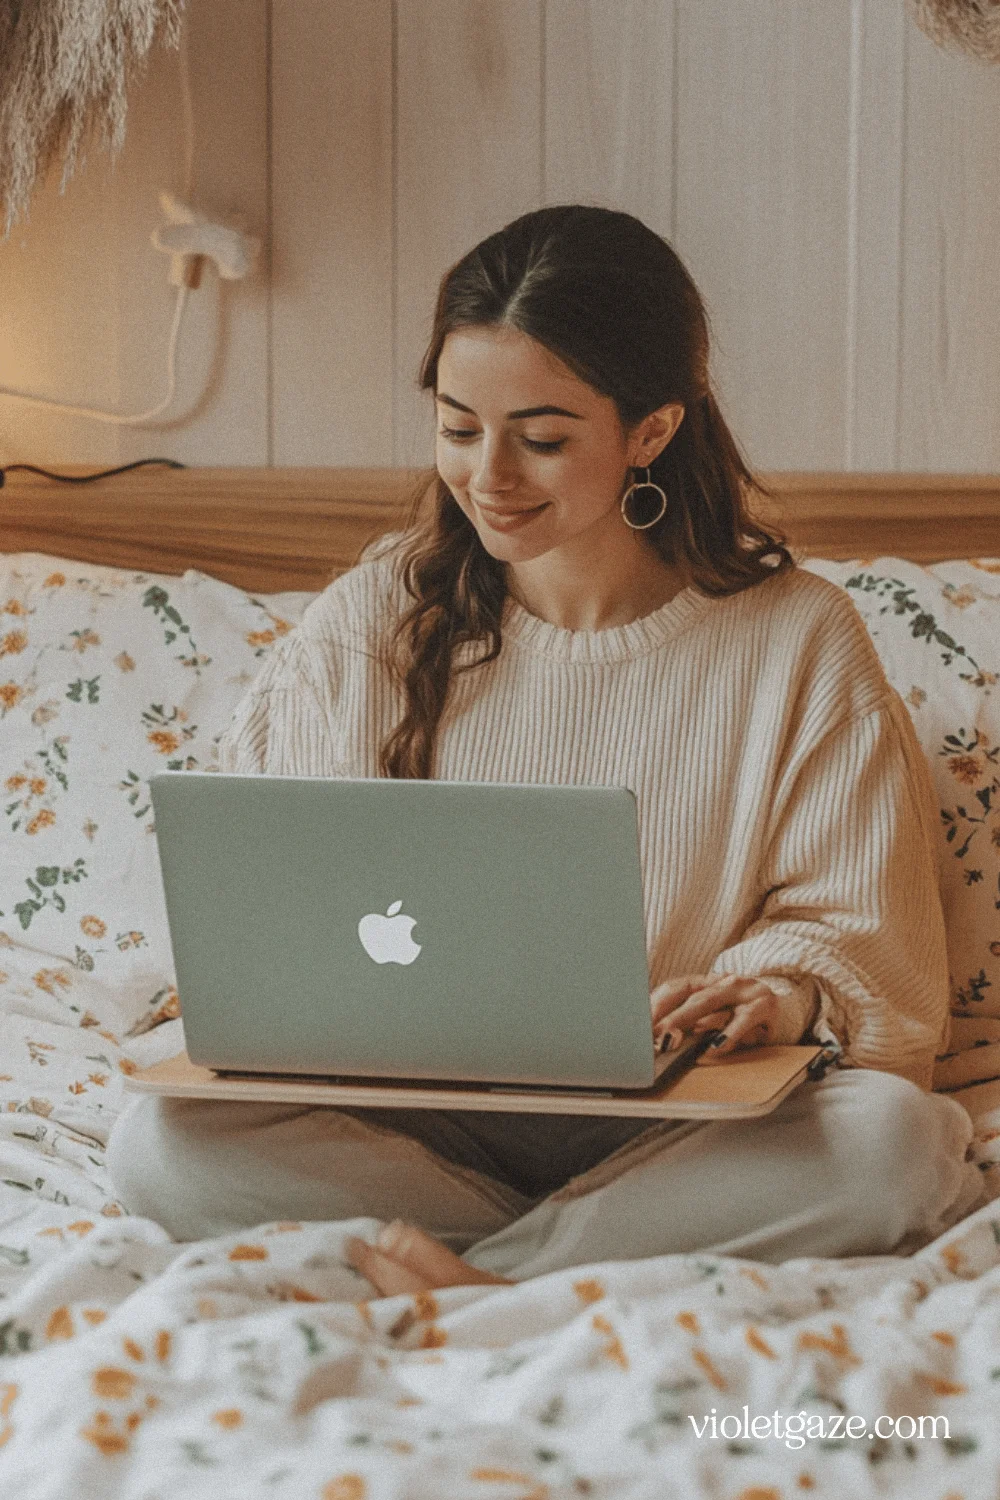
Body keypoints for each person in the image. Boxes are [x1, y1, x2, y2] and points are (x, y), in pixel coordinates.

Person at [106, 205, 986, 1295]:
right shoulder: (371, 615)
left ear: (652, 431)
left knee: (893, 1142)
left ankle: (482, 1274)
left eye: (544, 435)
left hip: (681, 1122)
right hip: (409, 1123)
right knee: (159, 1142)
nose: (489, 476)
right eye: (458, 425)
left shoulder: (796, 639)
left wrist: (780, 993)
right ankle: (584, 1257)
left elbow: (868, 941)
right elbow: (256, 894)